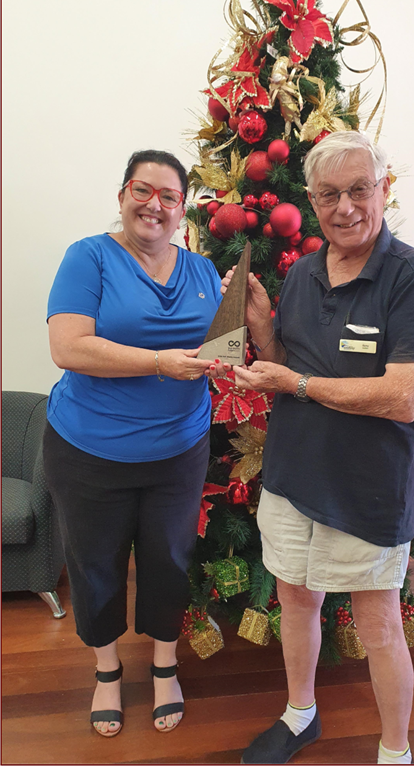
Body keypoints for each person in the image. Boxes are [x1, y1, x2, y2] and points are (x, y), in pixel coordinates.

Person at [221, 132, 414, 765]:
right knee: (297, 599)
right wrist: (266, 331)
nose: (345, 207)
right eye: (329, 194)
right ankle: (301, 716)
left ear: (385, 189)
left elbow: (402, 398)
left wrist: (293, 382)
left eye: (360, 190)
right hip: (294, 476)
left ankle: (395, 752)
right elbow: (281, 367)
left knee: (378, 625)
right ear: (312, 200)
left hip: (367, 487)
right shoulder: (301, 271)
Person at [43, 150, 223, 737]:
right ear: (123, 195)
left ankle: (166, 665)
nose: (155, 205)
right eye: (143, 191)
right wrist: (157, 364)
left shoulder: (201, 271)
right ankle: (107, 671)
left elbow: (220, 349)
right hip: (90, 450)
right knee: (96, 565)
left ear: (182, 210)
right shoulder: (88, 257)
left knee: (169, 559)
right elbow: (68, 347)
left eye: (169, 196)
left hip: (180, 448)